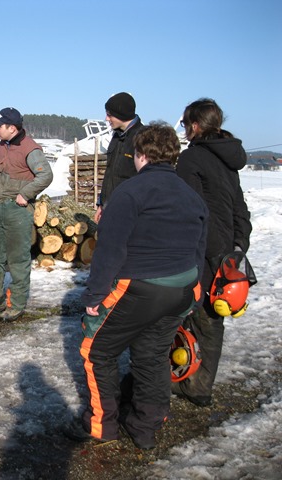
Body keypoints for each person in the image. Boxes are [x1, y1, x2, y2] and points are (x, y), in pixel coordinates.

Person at [78, 122, 208, 449]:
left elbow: (110, 249)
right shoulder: (191, 196)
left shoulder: (130, 192)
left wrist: (95, 295)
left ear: (140, 154)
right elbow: (199, 247)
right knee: (152, 355)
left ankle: (101, 425)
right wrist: (196, 289)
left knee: (97, 351)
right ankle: (146, 427)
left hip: (141, 286)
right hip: (181, 288)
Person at [172, 99, 252, 407]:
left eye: (185, 125)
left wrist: (210, 253)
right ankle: (200, 383)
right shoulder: (228, 157)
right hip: (228, 249)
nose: (184, 130)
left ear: (194, 125)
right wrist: (238, 246)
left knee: (195, 313)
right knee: (213, 317)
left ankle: (187, 381)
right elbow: (239, 207)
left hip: (202, 249)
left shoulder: (192, 157)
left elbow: (190, 210)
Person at [0, 108, 53, 322]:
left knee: (18, 259)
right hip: (0, 207)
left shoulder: (30, 148)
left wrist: (25, 194)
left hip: (18, 210)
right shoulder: (2, 146)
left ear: (12, 128)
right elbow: (0, 171)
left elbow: (46, 175)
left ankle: (16, 304)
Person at [95, 92, 144, 222]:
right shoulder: (117, 136)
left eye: (109, 115)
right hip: (111, 208)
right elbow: (110, 173)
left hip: (129, 212)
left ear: (121, 114)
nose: (106, 119)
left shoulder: (142, 138)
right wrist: (101, 203)